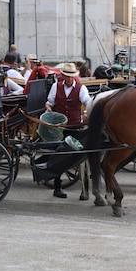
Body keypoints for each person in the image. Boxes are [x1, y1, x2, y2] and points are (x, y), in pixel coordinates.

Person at [45, 63, 91, 198]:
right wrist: (48, 107)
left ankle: (85, 190)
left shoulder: (81, 88)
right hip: (60, 128)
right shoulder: (56, 86)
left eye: (72, 77)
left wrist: (87, 112)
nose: (70, 79)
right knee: (58, 156)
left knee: (82, 157)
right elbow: (50, 102)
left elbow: (87, 102)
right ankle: (57, 188)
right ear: (63, 76)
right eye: (67, 77)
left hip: (75, 126)